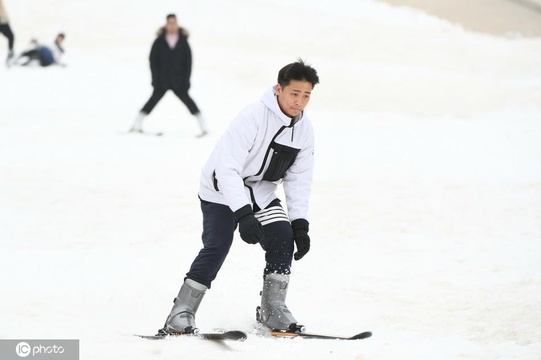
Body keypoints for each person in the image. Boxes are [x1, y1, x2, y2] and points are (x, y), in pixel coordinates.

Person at [158, 59, 320, 336]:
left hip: (261, 191)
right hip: (221, 189)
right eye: (295, 93)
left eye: (306, 95)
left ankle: (273, 309)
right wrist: (243, 215)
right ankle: (181, 313)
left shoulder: (304, 131)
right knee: (218, 245)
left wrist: (300, 224)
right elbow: (228, 168)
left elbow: (298, 180)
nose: (300, 102)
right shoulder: (253, 117)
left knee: (283, 237)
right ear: (278, 89)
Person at [130, 14, 207, 137]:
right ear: (166, 24)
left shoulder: (183, 42)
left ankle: (203, 127)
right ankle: (137, 124)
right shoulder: (159, 41)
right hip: (162, 81)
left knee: (189, 102)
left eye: (174, 23)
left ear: (177, 24)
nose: (172, 26)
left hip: (179, 82)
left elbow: (188, 63)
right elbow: (153, 61)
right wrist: (155, 79)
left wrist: (186, 81)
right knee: (152, 101)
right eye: (169, 23)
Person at [0, 0, 15, 65]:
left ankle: (10, 54)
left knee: (11, 36)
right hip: (2, 21)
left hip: (3, 20)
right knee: (11, 36)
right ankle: (10, 54)